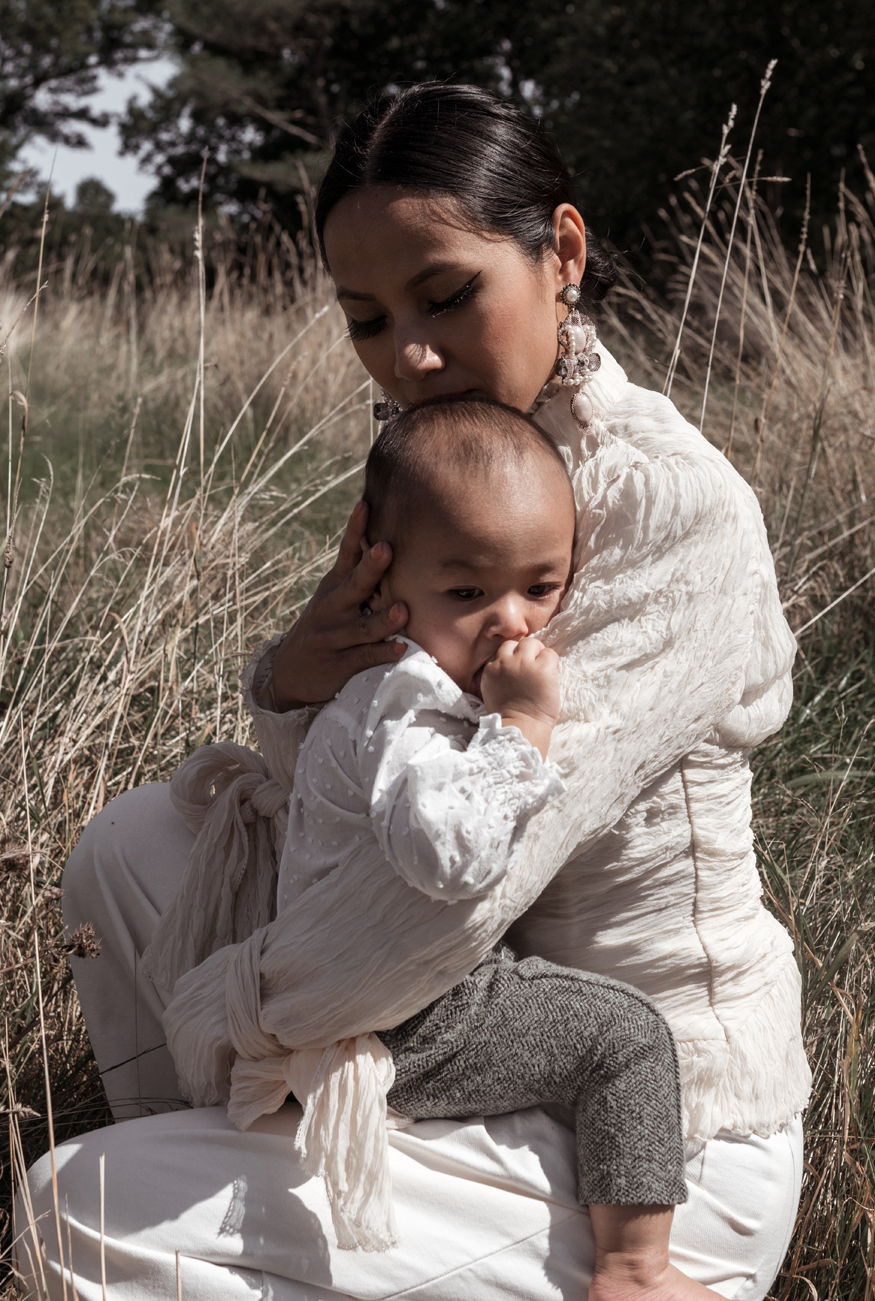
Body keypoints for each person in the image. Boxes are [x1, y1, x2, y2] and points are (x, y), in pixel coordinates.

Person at [23, 82, 810, 1301]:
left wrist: (234, 1009)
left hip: (644, 1127)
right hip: (462, 1029)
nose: (409, 355)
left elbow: (455, 882)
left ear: (561, 253)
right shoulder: (458, 463)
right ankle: (242, 1175)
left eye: (444, 297)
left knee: (73, 1206)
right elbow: (359, 789)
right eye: (367, 318)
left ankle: (226, 1189)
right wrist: (292, 680)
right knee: (131, 849)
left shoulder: (669, 506)